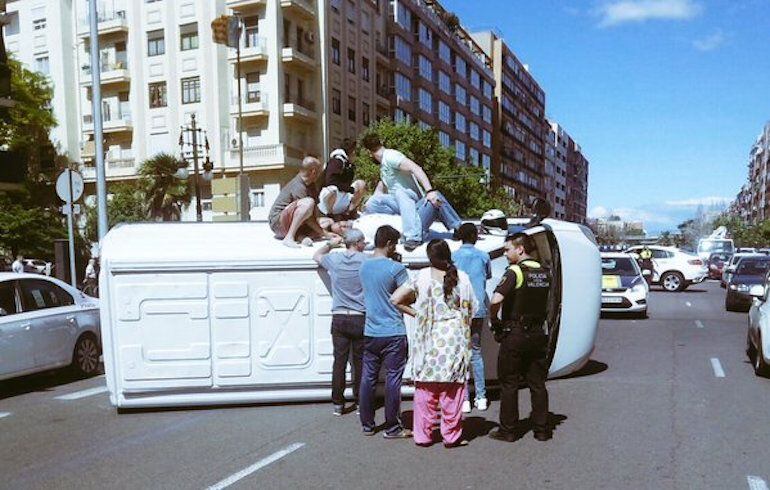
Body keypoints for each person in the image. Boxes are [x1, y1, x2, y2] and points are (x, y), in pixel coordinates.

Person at [391, 239, 476, 448]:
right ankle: (451, 436)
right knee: (452, 391)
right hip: (455, 339)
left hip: (429, 340)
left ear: (430, 257)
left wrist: (418, 313)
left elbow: (396, 299)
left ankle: (423, 436)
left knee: (425, 391)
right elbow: (473, 307)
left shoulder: (421, 277)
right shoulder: (462, 278)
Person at [489, 233, 553, 443]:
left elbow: (496, 299)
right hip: (537, 334)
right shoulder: (545, 272)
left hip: (516, 334)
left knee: (509, 383)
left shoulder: (515, 272)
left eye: (508, 249)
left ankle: (508, 430)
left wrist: (494, 319)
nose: (505, 254)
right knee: (537, 383)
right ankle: (542, 429)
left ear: (520, 249)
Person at [361, 134, 463, 251]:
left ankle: (414, 236)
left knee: (429, 195)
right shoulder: (384, 165)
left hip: (417, 209)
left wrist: (429, 191)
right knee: (372, 201)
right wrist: (366, 208)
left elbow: (415, 168)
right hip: (404, 211)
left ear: (368, 152)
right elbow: (380, 190)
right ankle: (401, 226)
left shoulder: (391, 156)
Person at [358, 225, 412, 439]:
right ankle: (392, 427)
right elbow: (407, 296)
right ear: (389, 243)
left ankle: (367, 424)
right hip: (393, 331)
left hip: (371, 331)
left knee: (368, 378)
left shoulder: (363, 267)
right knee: (393, 379)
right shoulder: (396, 269)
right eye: (395, 243)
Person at [313, 229, 368, 417]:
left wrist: (331, 243)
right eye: (363, 241)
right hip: (360, 316)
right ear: (358, 243)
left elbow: (317, 255)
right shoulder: (366, 261)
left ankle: (338, 403)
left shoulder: (334, 260)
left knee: (339, 362)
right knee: (359, 362)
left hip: (339, 317)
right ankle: (361, 402)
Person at [452, 223, 491, 413]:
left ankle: (464, 398)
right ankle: (481, 396)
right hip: (479, 309)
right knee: (476, 352)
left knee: (461, 354)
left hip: (460, 310)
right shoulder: (483, 256)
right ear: (474, 236)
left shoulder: (453, 257)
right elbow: (487, 277)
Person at [268, 156, 331, 248]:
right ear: (313, 171)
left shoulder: (311, 185)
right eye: (319, 172)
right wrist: (326, 234)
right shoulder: (298, 185)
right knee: (308, 203)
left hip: (292, 221)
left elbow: (313, 214)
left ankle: (301, 236)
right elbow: (309, 218)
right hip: (278, 223)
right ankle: (289, 237)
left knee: (327, 222)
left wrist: (326, 228)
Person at [319, 139, 366, 219]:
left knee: (361, 184)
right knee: (332, 190)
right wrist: (350, 189)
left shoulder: (349, 164)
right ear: (352, 151)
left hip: (341, 196)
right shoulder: (336, 161)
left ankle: (348, 213)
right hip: (330, 199)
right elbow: (330, 181)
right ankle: (330, 215)